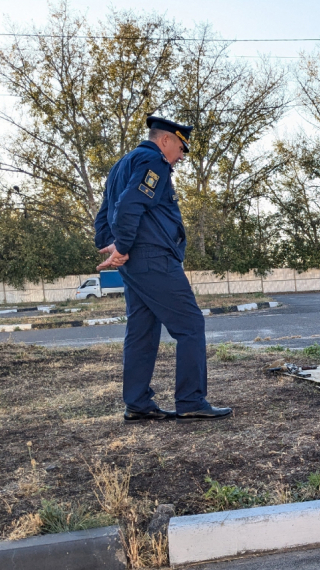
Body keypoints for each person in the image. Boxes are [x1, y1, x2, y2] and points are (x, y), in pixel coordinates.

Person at [94, 115, 231, 423]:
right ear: (166, 139)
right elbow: (129, 205)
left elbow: (105, 212)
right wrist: (123, 248)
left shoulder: (120, 166)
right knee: (191, 325)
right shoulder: (153, 161)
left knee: (142, 331)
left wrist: (110, 245)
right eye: (182, 148)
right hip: (152, 258)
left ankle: (138, 403)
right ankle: (191, 400)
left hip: (133, 262)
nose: (182, 156)